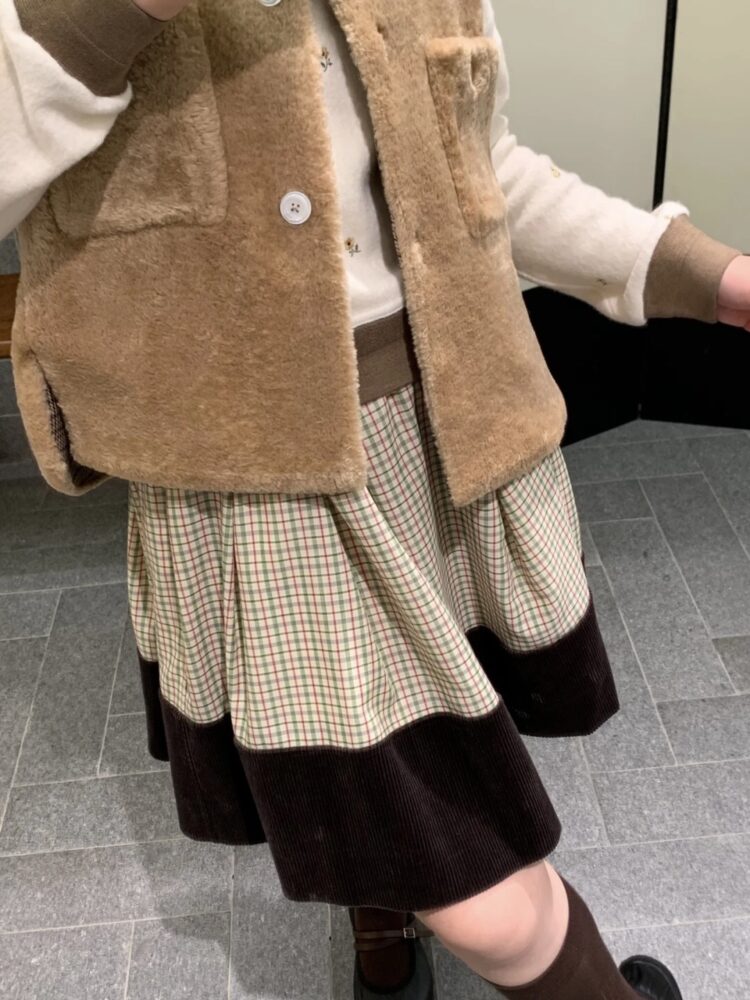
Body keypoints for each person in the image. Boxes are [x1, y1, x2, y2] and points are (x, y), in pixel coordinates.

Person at [1, 1, 748, 998]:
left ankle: (383, 940)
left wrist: (709, 276)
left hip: (448, 428)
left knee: (407, 766)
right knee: (477, 877)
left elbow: (484, 173)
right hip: (259, 480)